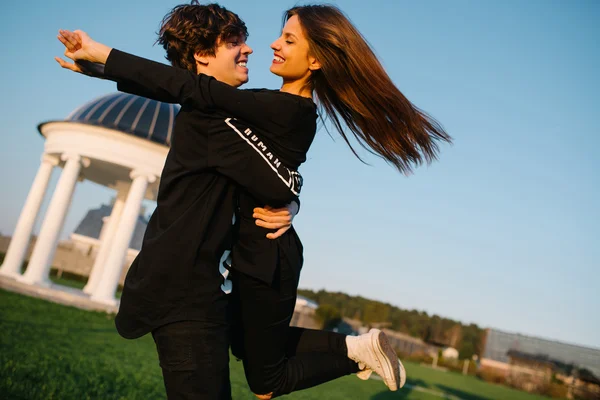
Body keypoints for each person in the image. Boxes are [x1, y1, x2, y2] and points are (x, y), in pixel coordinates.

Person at [56, 3, 451, 399]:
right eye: (234, 43)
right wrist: (105, 66)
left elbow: (195, 92)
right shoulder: (219, 117)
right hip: (188, 289)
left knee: (265, 377)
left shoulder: (255, 112)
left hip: (213, 283)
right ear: (202, 55)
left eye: (287, 39)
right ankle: (355, 350)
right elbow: (193, 91)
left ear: (315, 59)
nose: (261, 47)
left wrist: (106, 60)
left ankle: (355, 350)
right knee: (260, 368)